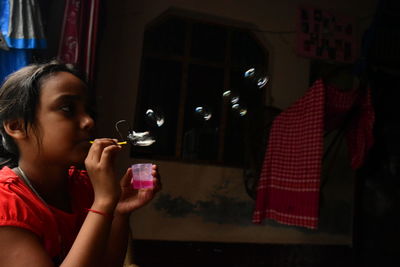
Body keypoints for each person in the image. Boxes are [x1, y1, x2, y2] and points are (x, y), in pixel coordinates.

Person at [0, 61, 160, 266]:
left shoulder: (82, 186)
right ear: (17, 126)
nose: (89, 122)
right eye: (67, 108)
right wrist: (103, 202)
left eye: (89, 111)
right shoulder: (6, 204)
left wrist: (119, 210)